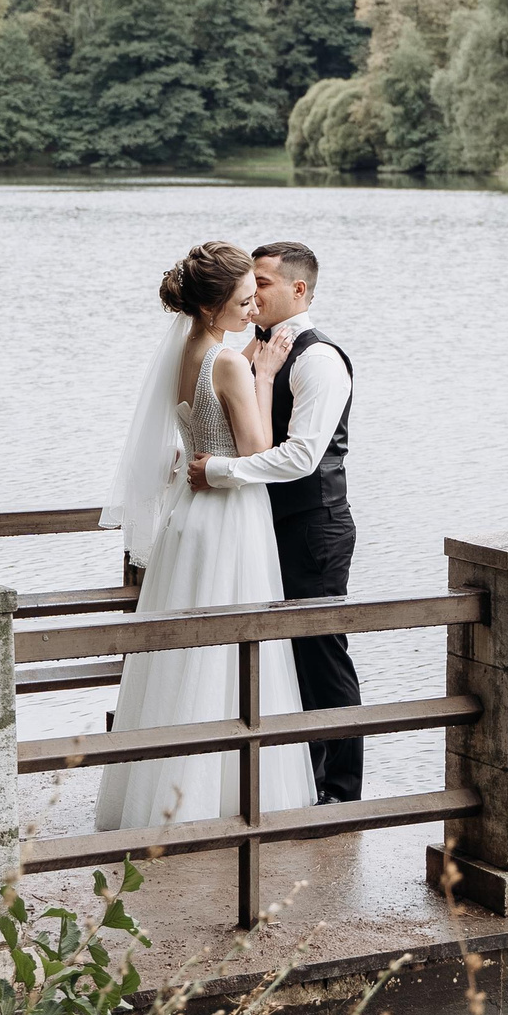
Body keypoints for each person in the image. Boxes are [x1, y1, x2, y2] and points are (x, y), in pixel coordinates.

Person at [94, 242, 317, 831]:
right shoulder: (232, 363)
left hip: (187, 518)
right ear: (216, 305)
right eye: (244, 301)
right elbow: (257, 450)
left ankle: (163, 796)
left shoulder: (186, 351)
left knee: (183, 652)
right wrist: (264, 375)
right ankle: (223, 800)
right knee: (232, 644)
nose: (254, 310)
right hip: (229, 517)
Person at [188, 241, 361, 804]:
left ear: (298, 290)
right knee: (273, 659)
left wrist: (220, 471)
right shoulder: (246, 351)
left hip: (314, 527)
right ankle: (291, 786)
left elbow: (301, 456)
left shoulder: (319, 359)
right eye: (249, 283)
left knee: (319, 655)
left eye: (262, 282)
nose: (252, 292)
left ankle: (339, 791)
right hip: (257, 528)